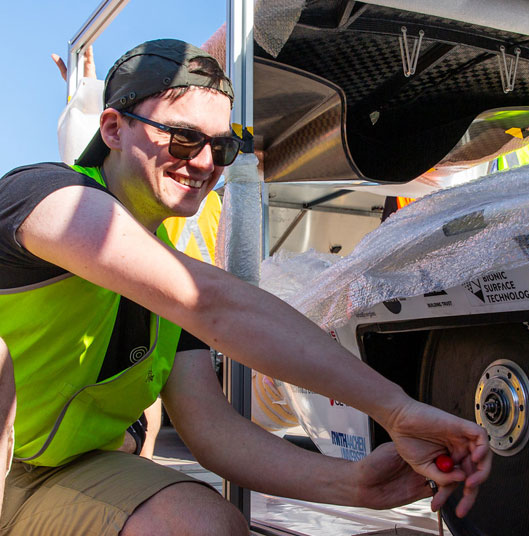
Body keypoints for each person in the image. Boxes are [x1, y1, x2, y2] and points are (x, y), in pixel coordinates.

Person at [0, 39, 490, 535]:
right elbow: (214, 304)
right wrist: (396, 409)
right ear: (112, 129)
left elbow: (211, 428)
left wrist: (355, 484)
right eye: (183, 138)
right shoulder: (43, 197)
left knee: (205, 527)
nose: (204, 163)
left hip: (64, 476)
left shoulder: (168, 272)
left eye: (221, 147)